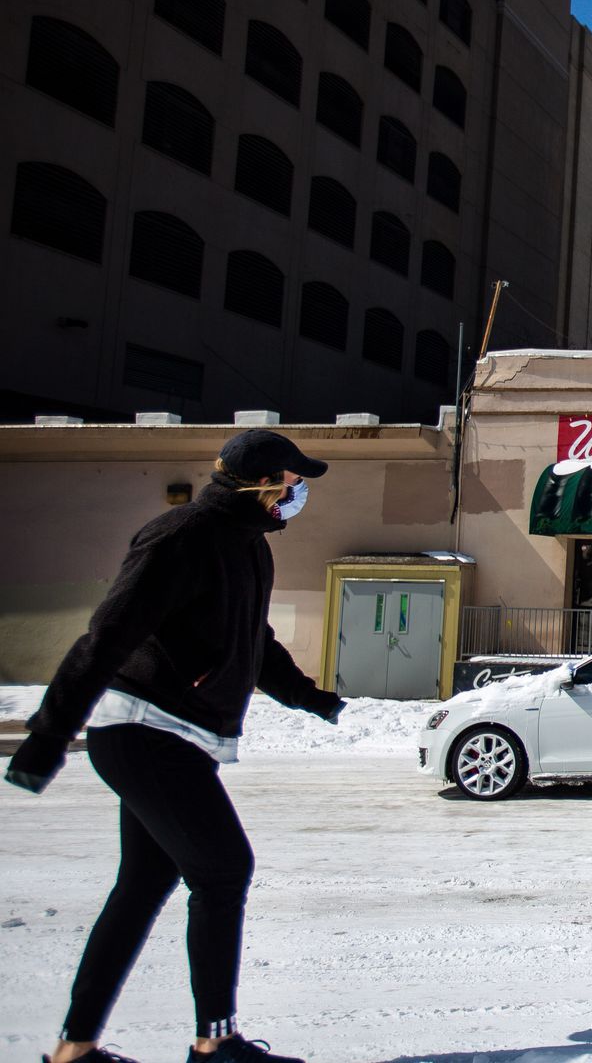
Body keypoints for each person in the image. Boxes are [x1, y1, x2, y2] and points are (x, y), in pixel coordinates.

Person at [5, 430, 347, 1063]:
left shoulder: (250, 548)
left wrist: (310, 698)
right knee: (224, 870)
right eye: (295, 482)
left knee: (140, 887)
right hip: (144, 729)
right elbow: (106, 638)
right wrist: (48, 736)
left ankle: (72, 1053)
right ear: (267, 481)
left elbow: (255, 644)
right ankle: (214, 1046)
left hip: (179, 738)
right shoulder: (180, 536)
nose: (300, 493)